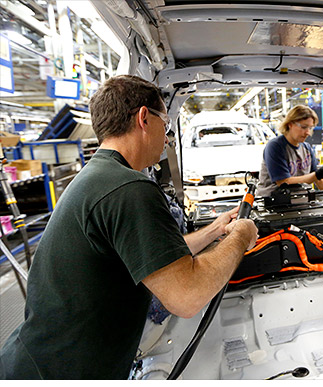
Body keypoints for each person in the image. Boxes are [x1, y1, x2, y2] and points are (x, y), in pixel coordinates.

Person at [0, 75, 259, 379]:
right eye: (166, 123)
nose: (167, 138)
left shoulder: (101, 176)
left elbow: (156, 259)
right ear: (144, 118)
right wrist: (241, 235)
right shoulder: (129, 188)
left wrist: (216, 230)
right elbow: (187, 296)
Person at [257, 105, 323, 196]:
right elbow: (283, 182)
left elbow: (320, 184)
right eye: (303, 127)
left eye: (310, 128)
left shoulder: (307, 148)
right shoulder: (276, 146)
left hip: (299, 199)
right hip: (273, 200)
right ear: (290, 124)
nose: (308, 132)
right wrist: (316, 175)